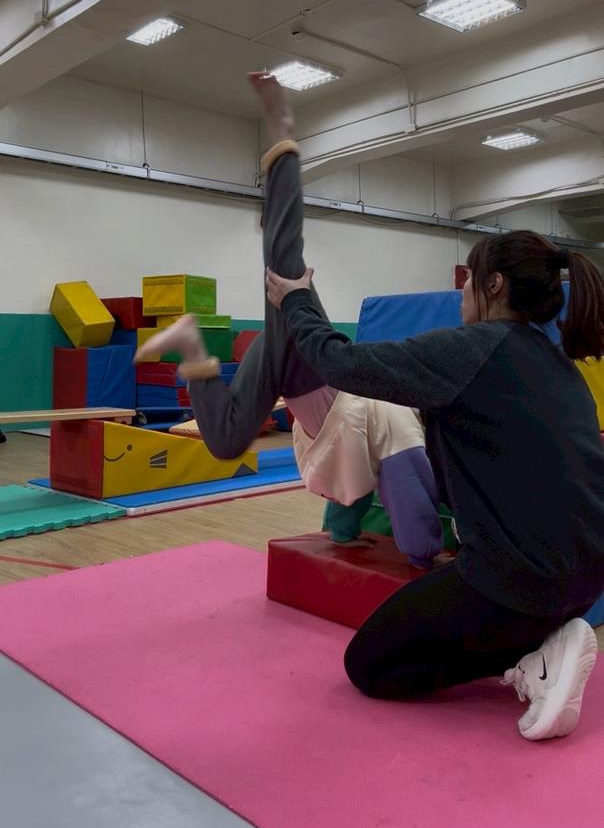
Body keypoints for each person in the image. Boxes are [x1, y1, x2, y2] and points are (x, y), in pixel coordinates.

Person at [265, 229, 604, 741]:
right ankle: (543, 636)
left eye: (469, 278)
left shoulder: (472, 350)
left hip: (521, 584)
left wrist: (296, 301)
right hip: (588, 579)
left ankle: (531, 660)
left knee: (369, 664)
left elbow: (340, 364)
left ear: (494, 284)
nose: (462, 290)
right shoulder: (557, 363)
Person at [136, 73, 442, 567]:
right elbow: (408, 496)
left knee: (227, 441)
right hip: (318, 364)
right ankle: (282, 138)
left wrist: (343, 537)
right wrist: (424, 556)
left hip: (295, 377)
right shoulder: (404, 429)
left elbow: (352, 490)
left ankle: (193, 347)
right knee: (283, 263)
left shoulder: (385, 437)